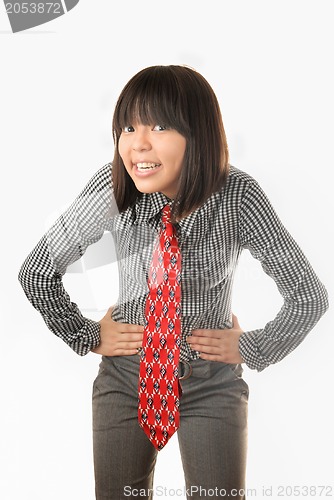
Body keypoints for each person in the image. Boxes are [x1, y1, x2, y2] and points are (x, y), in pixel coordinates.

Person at [18, 65, 329, 500]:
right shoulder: (113, 189)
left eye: (159, 126)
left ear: (197, 133)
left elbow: (307, 296)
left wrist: (255, 346)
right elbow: (37, 272)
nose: (138, 143)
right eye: (127, 127)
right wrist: (87, 334)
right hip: (127, 377)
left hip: (211, 382)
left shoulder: (237, 195)